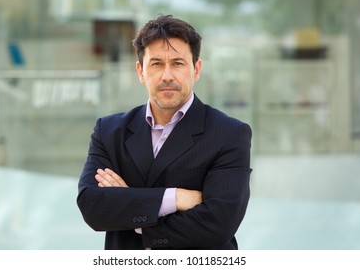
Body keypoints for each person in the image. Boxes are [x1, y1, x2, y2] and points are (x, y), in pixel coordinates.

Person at [77, 14, 252, 250]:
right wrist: (176, 198)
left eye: (178, 63)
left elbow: (218, 225)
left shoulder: (229, 134)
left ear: (196, 69)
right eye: (157, 63)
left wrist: (130, 206)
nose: (167, 75)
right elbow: (93, 208)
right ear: (140, 71)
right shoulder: (109, 131)